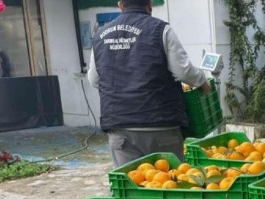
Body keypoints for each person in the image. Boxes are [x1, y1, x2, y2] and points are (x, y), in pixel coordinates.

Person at [88, 0, 211, 167]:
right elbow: (183, 71)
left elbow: (94, 80)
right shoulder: (160, 29)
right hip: (160, 124)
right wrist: (202, 81)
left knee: (130, 187)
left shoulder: (100, 36)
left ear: (120, 5)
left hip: (120, 129)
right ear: (150, 4)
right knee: (167, 185)